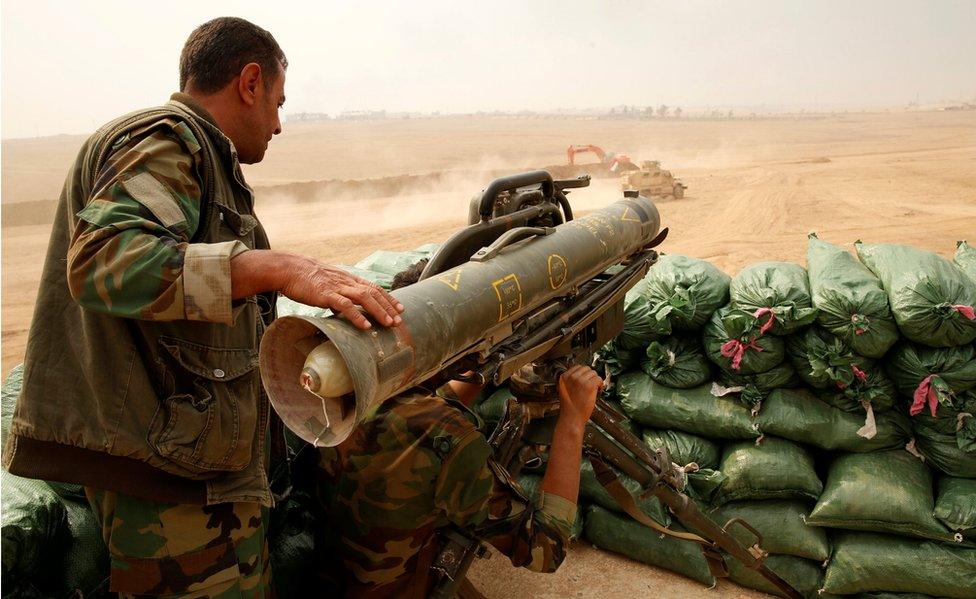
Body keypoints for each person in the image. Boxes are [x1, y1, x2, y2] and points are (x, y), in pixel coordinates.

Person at [2, 17, 403, 598]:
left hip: (192, 468)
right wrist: (282, 268)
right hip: (165, 483)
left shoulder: (200, 156)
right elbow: (105, 263)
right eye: (278, 102)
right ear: (249, 81)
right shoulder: (168, 140)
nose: (279, 124)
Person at [313, 263, 604, 598]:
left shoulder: (348, 387)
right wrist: (572, 421)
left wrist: (486, 360)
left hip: (333, 579)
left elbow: (416, 412)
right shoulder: (443, 434)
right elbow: (545, 549)